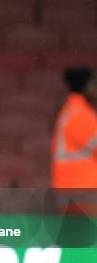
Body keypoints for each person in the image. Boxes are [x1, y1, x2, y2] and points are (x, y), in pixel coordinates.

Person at [51, 67, 97, 216]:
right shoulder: (81, 115)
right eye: (93, 83)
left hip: (74, 188)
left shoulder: (72, 111)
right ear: (84, 86)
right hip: (81, 189)